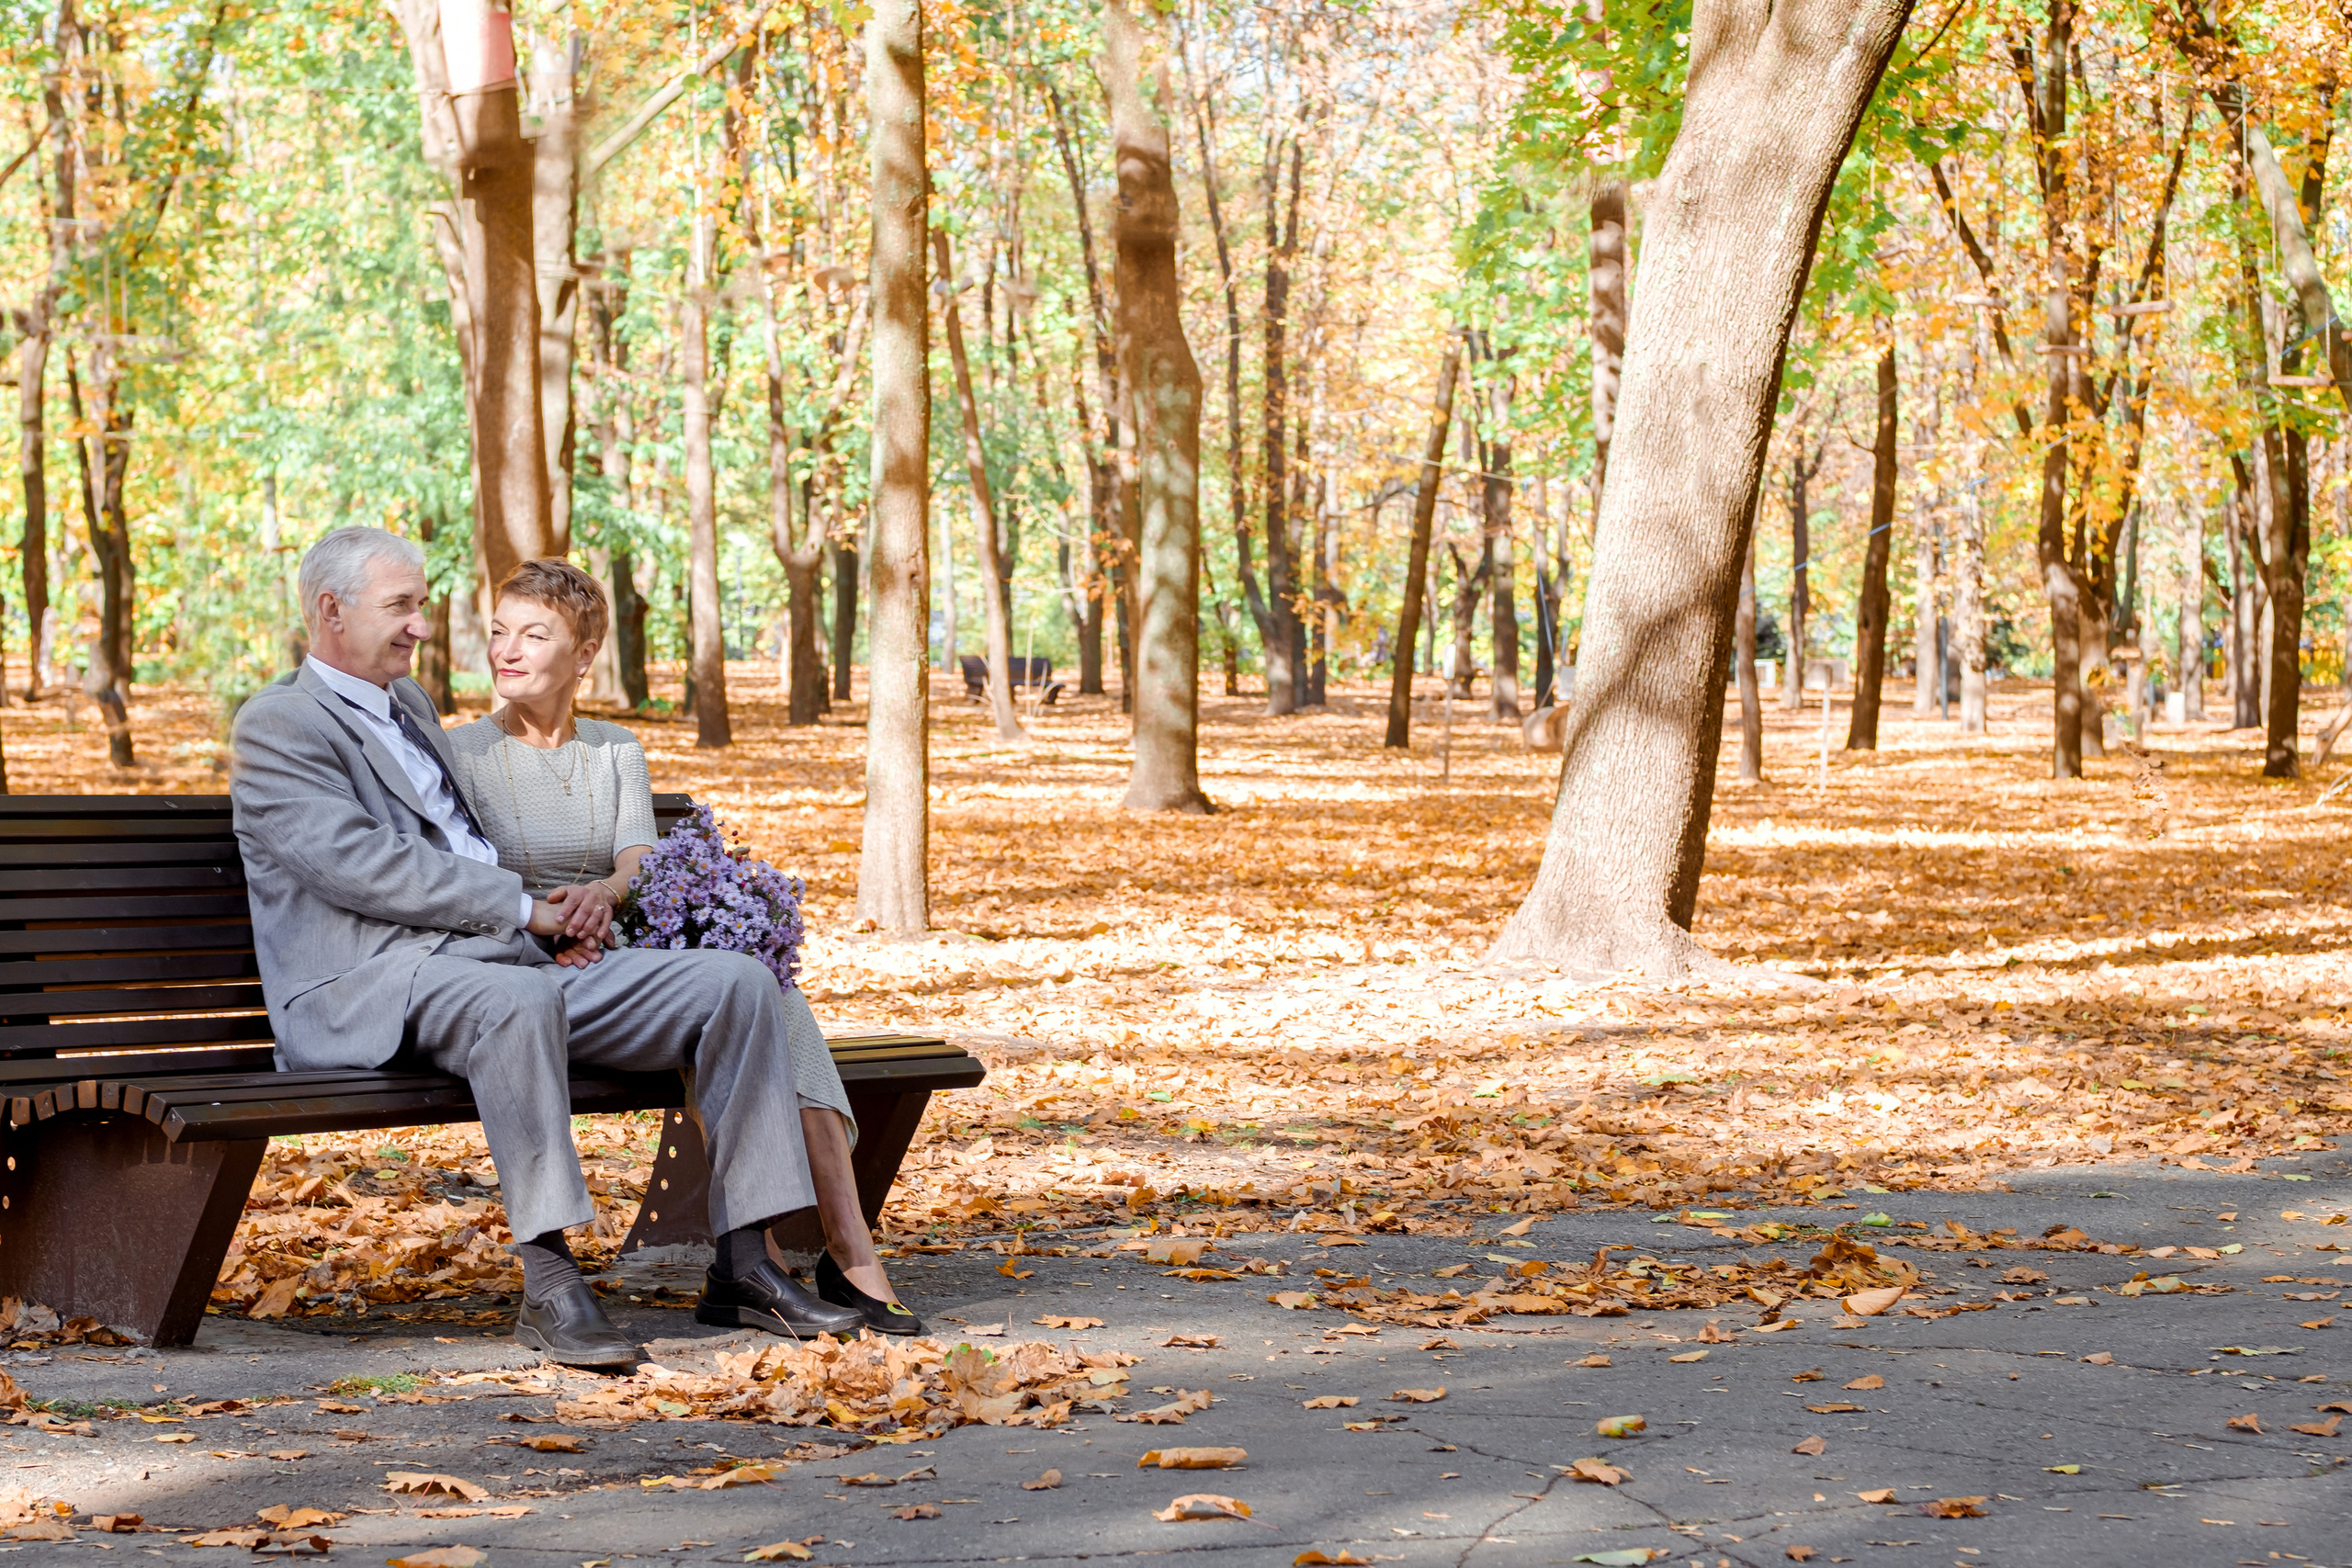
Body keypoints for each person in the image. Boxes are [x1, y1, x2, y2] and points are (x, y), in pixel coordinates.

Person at [232, 529, 855, 1369]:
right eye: (402, 607)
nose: (422, 625)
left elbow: (468, 846)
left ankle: (745, 1259)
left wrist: (561, 912)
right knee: (517, 1002)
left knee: (735, 983)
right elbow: (365, 867)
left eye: (421, 604)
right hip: (374, 981)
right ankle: (550, 1278)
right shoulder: (280, 724)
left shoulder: (409, 709)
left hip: (495, 963)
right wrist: (526, 912)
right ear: (330, 610)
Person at [448, 557, 920, 1337]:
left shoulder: (613, 750)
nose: (509, 649)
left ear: (584, 655)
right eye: (500, 631)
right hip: (530, 965)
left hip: (624, 948)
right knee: (749, 995)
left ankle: (813, 1248)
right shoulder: (459, 754)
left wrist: (600, 898)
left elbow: (638, 860)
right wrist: (551, 929)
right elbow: (461, 881)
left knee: (770, 991)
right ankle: (811, 1255)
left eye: (535, 634)